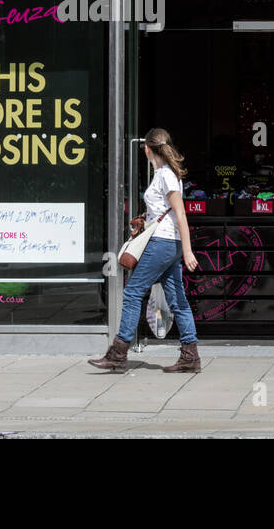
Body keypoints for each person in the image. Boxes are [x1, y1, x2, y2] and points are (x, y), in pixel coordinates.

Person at [90, 127, 202, 374]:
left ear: (147, 149)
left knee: (132, 293)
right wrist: (145, 218)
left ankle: (118, 354)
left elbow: (181, 214)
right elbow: (165, 212)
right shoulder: (163, 173)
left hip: (163, 244)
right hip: (166, 243)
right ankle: (190, 356)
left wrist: (188, 250)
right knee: (178, 300)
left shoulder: (166, 176)